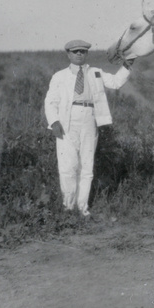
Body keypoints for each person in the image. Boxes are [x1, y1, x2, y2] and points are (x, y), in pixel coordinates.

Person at [44, 39, 133, 216]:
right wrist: (54, 122)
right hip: (67, 121)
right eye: (75, 51)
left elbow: (115, 82)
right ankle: (68, 207)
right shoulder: (59, 76)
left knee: (86, 165)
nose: (79, 54)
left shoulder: (96, 73)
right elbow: (50, 101)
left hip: (90, 119)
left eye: (83, 51)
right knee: (68, 165)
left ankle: (82, 208)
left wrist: (127, 65)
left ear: (86, 54)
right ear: (68, 54)